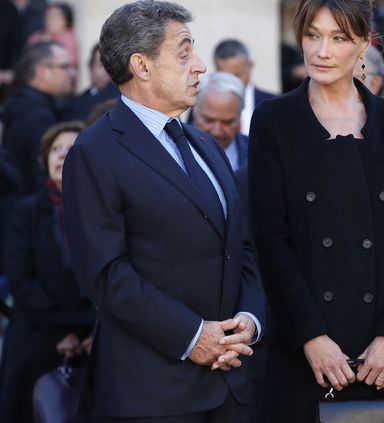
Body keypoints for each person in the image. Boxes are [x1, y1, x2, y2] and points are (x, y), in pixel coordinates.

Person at [62, 1, 265, 421]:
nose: (201, 66)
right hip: (152, 396)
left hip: (231, 385)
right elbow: (106, 274)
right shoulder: (94, 151)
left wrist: (248, 318)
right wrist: (194, 337)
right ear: (142, 65)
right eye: (185, 51)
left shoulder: (205, 144)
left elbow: (240, 247)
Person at [248, 0, 384, 420]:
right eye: (312, 36)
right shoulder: (273, 121)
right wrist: (311, 336)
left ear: (365, 44)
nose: (322, 51)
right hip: (306, 351)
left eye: (338, 38)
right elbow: (269, 238)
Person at [0, 120, 95, 423]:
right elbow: (20, 278)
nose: (61, 155)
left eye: (71, 149)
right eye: (56, 149)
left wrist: (95, 330)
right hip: (39, 330)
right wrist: (60, 332)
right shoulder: (25, 211)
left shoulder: (104, 209)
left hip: (95, 334)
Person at [3, 40, 74, 197]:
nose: (72, 73)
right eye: (64, 67)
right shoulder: (39, 116)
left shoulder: (22, 105)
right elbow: (44, 177)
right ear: (42, 72)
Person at [213, 39, 274, 136]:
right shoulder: (204, 104)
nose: (231, 83)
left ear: (250, 66)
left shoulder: (273, 103)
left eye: (237, 76)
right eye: (225, 77)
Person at [193, 72, 247, 171]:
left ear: (239, 117)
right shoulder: (174, 152)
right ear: (194, 110)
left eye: (227, 122)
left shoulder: (257, 152)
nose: (217, 131)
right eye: (209, 120)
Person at [66, 43, 119, 121]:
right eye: (102, 65)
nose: (108, 71)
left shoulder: (127, 99)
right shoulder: (76, 103)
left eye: (113, 65)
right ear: (91, 68)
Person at [27, 2, 78, 73]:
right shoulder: (36, 37)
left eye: (55, 18)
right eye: (48, 17)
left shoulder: (68, 39)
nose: (50, 21)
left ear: (66, 22)